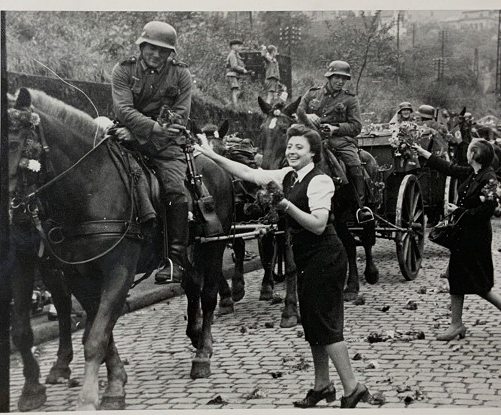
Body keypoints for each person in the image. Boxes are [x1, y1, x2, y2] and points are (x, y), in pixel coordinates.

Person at [195, 124, 371, 408]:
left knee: (326, 325)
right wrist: (209, 155)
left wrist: (285, 205)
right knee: (313, 324)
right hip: (307, 258)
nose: (291, 151)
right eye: (290, 147)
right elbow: (249, 173)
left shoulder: (320, 181)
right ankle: (322, 385)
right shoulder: (288, 176)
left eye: (299, 147)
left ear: (313, 152)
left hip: (326, 257)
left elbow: (318, 225)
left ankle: (353, 387)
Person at [412, 139, 501, 341]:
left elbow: (487, 210)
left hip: (475, 236)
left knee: (464, 278)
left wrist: (459, 211)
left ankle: (458, 324)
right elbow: (449, 168)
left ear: (473, 154)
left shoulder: (488, 177)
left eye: (469, 150)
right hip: (465, 235)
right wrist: (423, 152)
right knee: (469, 278)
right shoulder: (474, 172)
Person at [111, 20, 192, 284]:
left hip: (165, 146)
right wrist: (145, 129)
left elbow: (178, 116)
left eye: (163, 50)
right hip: (124, 139)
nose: (156, 55)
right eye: (151, 48)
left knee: (175, 189)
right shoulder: (124, 70)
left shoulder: (181, 75)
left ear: (171, 53)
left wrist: (140, 134)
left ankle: (175, 259)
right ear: (142, 45)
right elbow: (123, 109)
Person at [296, 60, 373, 223]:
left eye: (343, 78)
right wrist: (307, 116)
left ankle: (360, 207)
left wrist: (335, 128)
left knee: (355, 165)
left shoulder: (350, 99)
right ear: (329, 77)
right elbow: (298, 112)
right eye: (336, 77)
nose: (340, 81)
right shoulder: (312, 94)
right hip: (312, 139)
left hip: (340, 141)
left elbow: (356, 126)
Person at [226, 39, 253, 105]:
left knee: (237, 91)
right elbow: (234, 66)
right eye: (238, 46)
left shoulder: (236, 55)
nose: (240, 47)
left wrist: (245, 71)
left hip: (235, 75)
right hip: (231, 75)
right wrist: (243, 70)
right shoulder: (232, 55)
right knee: (234, 91)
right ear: (233, 46)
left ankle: (234, 105)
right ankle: (235, 107)